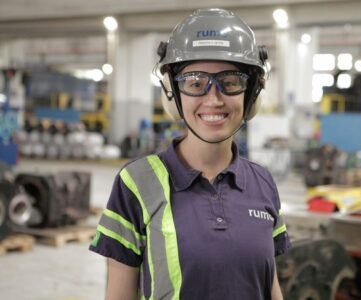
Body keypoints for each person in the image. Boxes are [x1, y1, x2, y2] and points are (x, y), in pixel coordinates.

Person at [89, 8, 291, 300]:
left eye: (231, 82)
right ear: (172, 92)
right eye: (195, 83)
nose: (213, 99)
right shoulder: (136, 183)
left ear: (252, 95)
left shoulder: (263, 182)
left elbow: (270, 285)